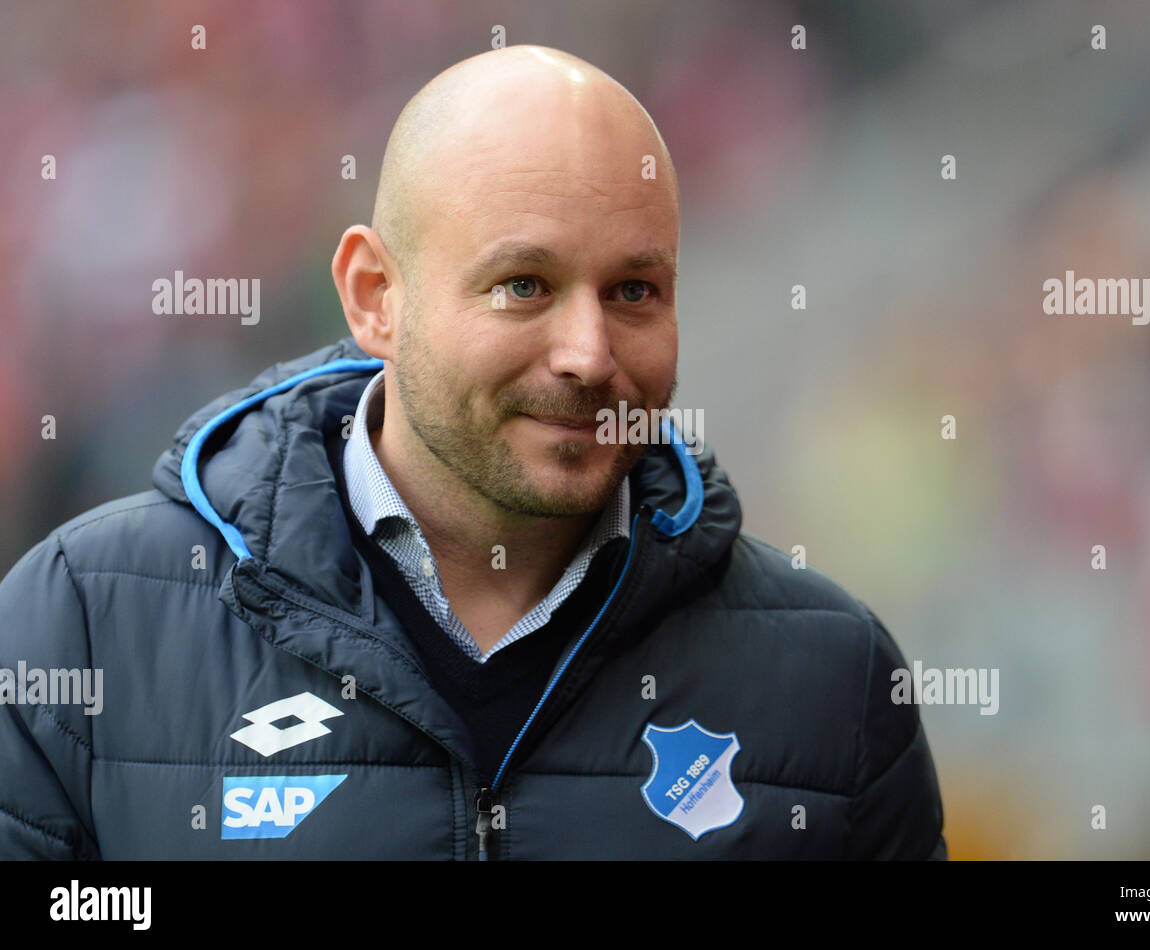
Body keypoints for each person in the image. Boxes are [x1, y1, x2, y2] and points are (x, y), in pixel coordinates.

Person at [0, 45, 946, 859]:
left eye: (634, 291)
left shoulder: (834, 681)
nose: (588, 353)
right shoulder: (82, 627)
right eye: (524, 285)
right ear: (376, 296)